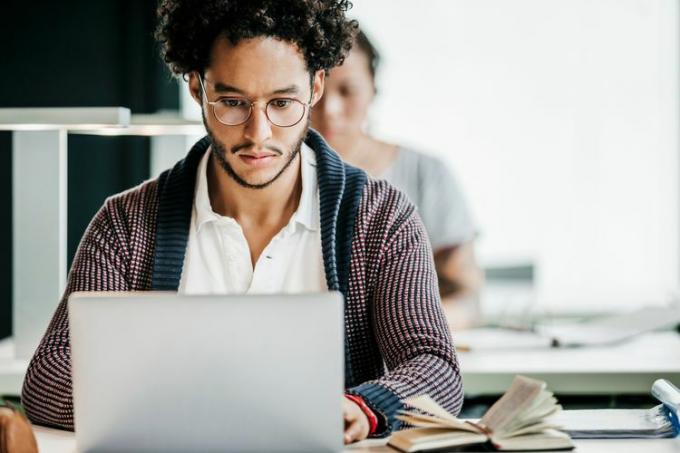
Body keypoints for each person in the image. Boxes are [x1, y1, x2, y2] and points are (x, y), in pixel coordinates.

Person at [21, 0, 463, 444]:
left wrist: (365, 408)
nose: (259, 134)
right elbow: (49, 377)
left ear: (316, 86)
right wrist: (208, 407)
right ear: (196, 87)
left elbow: (434, 366)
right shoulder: (125, 223)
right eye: (232, 102)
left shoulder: (381, 218)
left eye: (282, 103)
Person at [311, 29, 484, 326]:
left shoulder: (426, 174)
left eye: (347, 91)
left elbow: (469, 298)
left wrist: (404, 333)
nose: (330, 110)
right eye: (316, 92)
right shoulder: (268, 175)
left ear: (373, 89)